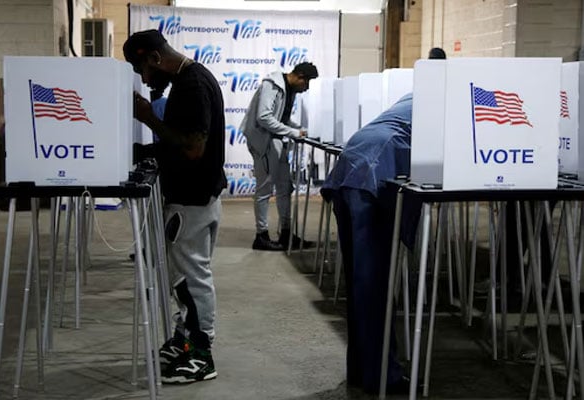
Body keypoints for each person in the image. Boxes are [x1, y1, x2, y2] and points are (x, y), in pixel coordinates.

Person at [123, 29, 226, 384]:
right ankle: (187, 339)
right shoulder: (189, 80)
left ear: (153, 58)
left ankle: (201, 353)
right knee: (184, 276)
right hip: (195, 195)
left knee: (191, 278)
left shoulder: (192, 85)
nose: (146, 80)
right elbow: (180, 140)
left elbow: (193, 147)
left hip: (193, 198)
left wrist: (148, 118)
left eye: (144, 71)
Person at [322, 94, 421, 395]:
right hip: (374, 175)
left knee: (360, 281)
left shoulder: (417, 94)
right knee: (375, 282)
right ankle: (382, 376)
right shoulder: (452, 102)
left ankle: (361, 369)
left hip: (350, 166)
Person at [240, 62, 319, 251]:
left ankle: (286, 234)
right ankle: (261, 235)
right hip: (264, 142)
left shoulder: (288, 89)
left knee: (285, 188)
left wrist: (298, 129)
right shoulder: (273, 85)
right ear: (299, 76)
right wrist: (294, 133)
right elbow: (264, 117)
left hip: (275, 141)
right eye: (306, 83)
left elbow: (280, 118)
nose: (306, 89)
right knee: (264, 189)